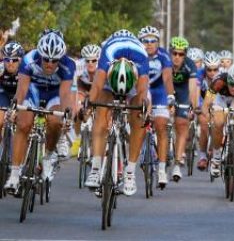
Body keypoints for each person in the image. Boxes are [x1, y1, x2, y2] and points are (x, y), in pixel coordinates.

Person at [4, 31, 76, 193]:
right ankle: (14, 175)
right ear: (40, 55)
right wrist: (15, 108)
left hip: (54, 94)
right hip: (34, 90)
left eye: (54, 60)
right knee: (23, 124)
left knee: (55, 122)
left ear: (61, 58)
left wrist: (66, 114)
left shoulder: (68, 65)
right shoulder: (29, 60)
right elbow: (21, 90)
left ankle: (49, 155)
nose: (50, 64)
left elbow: (65, 94)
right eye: (46, 59)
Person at [83, 30, 149, 196]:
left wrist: (143, 108)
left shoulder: (141, 56)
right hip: (109, 81)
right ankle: (96, 168)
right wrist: (88, 105)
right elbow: (96, 86)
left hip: (132, 82)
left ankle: (130, 172)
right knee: (100, 111)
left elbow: (142, 92)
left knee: (139, 117)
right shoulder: (108, 52)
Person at [139, 26, 175, 189]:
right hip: (142, 90)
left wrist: (170, 96)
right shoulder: (137, 55)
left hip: (159, 91)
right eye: (145, 41)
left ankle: (161, 169)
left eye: (153, 40)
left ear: (158, 43)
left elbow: (167, 78)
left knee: (161, 125)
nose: (149, 44)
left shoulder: (163, 56)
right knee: (136, 123)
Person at [201, 62, 234, 178]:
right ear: (228, 79)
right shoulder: (219, 81)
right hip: (220, 99)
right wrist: (207, 115)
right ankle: (216, 158)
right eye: (232, 84)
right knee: (218, 122)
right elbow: (206, 104)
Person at [169, 37, 199, 181]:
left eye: (181, 54)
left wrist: (192, 106)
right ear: (170, 53)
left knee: (182, 124)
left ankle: (177, 163)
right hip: (166, 90)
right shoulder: (165, 63)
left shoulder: (190, 65)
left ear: (185, 55)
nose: (177, 57)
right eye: (174, 53)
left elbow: (192, 88)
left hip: (182, 93)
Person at [196, 51, 220, 171]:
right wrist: (197, 106)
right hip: (202, 100)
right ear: (205, 68)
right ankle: (202, 156)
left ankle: (215, 149)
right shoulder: (199, 74)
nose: (212, 73)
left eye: (215, 69)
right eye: (209, 70)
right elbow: (195, 91)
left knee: (218, 123)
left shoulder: (222, 75)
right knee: (204, 124)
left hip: (217, 101)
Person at [0, 42, 24, 133]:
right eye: (7, 59)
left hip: (21, 94)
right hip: (4, 93)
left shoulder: (25, 70)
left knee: (22, 123)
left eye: (14, 60)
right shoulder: (1, 68)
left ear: (20, 60)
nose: (10, 63)